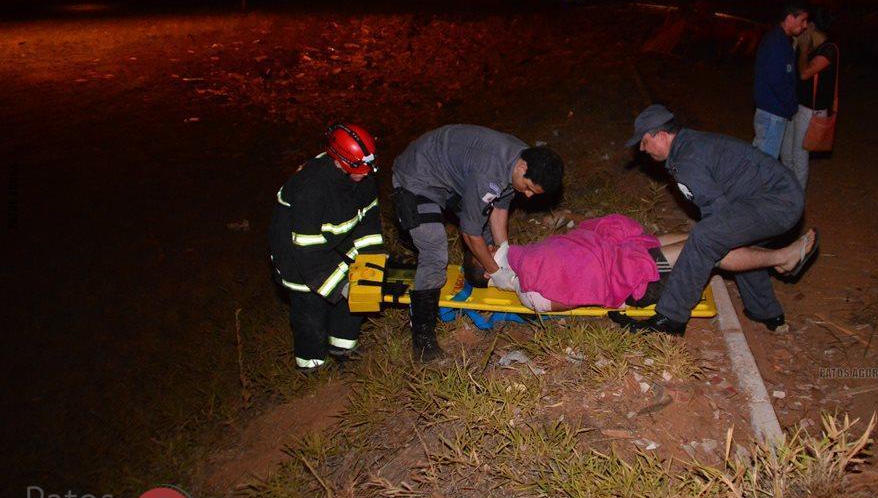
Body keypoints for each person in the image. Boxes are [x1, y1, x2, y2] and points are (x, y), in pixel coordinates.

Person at [615, 104, 808, 336]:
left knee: (706, 237)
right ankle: (765, 311)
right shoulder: (689, 146)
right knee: (726, 238)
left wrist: (674, 276)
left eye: (644, 142)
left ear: (662, 135)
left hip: (778, 203)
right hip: (777, 197)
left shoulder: (687, 161)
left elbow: (714, 223)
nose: (643, 149)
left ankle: (670, 318)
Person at [392, 125, 564, 361]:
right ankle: (423, 340)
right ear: (522, 168)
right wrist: (496, 272)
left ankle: (481, 268)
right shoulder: (490, 172)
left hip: (451, 177)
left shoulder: (521, 159)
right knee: (434, 249)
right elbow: (470, 234)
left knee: (486, 237)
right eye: (529, 188)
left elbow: (500, 208)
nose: (528, 196)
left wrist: (504, 254)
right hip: (418, 177)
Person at [470, 214, 815, 314]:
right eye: (483, 250)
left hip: (621, 252)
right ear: (488, 272)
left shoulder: (524, 258)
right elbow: (578, 292)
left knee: (689, 234)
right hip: (635, 277)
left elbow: (571, 248)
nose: (489, 244)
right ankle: (781, 258)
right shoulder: (528, 290)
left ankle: (763, 247)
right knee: (708, 248)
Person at [269, 124, 385, 372]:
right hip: (297, 254)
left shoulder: (362, 177)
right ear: (341, 161)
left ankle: (343, 348)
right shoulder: (310, 188)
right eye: (359, 169)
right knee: (311, 312)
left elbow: (369, 220)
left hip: (333, 243)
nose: (365, 174)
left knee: (355, 296)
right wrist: (342, 285)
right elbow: (307, 250)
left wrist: (371, 263)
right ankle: (311, 366)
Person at [781, 7, 837, 189]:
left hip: (812, 111)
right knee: (786, 153)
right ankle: (788, 190)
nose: (803, 27)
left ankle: (796, 199)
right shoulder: (810, 46)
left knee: (799, 155)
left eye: (807, 23)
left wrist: (803, 49)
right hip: (798, 106)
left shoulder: (829, 49)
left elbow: (805, 73)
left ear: (813, 25)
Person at [753, 1, 809, 159]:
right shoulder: (776, 42)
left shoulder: (782, 40)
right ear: (791, 18)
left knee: (761, 161)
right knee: (764, 164)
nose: (805, 26)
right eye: (802, 20)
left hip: (773, 111)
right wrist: (790, 104)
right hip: (772, 113)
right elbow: (776, 79)